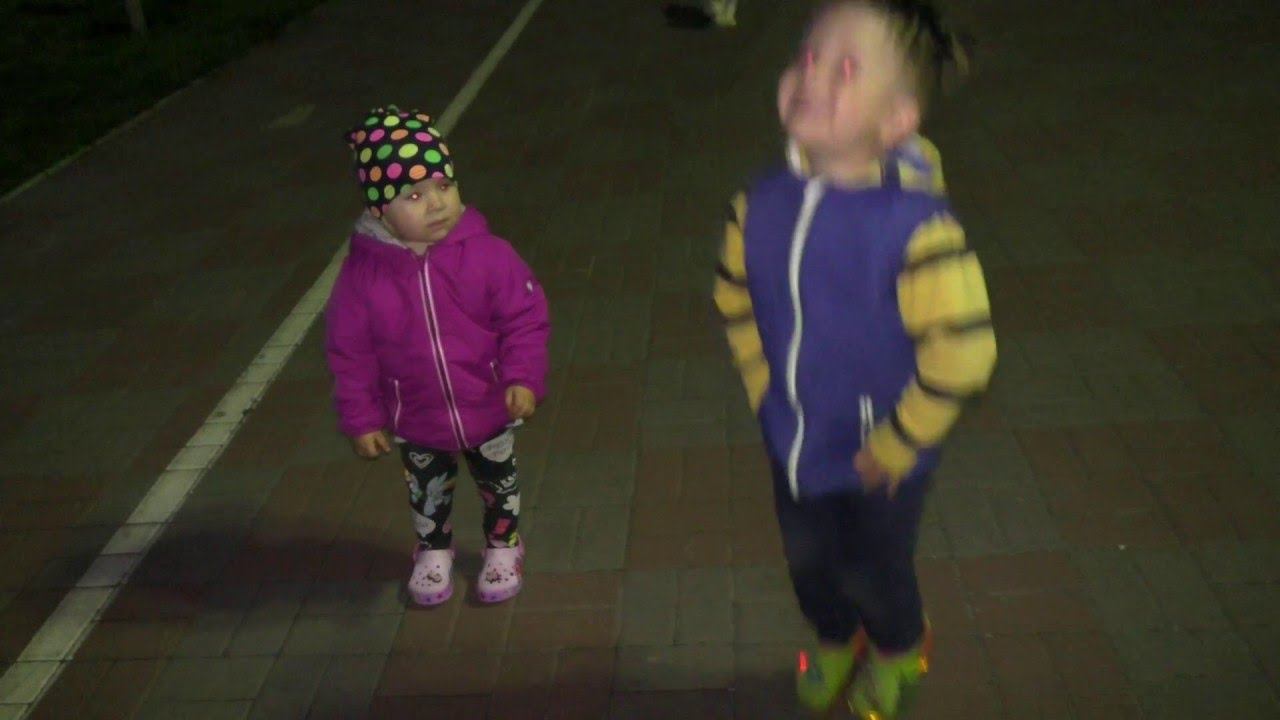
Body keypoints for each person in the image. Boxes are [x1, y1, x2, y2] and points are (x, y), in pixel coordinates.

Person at [712, 2, 995, 716]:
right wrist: (763, 386)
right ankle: (836, 636)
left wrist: (901, 440)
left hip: (882, 455)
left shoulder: (918, 230)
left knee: (876, 567)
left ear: (896, 119)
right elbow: (733, 295)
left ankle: (900, 647)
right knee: (808, 561)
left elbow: (964, 354)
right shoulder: (759, 205)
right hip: (794, 438)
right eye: (808, 56)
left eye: (844, 69)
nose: (812, 74)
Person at [327, 105, 550, 606]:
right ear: (379, 212)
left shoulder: (489, 254)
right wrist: (362, 418)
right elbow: (350, 353)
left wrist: (522, 377)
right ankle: (433, 550)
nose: (436, 204)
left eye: (444, 186)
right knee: (426, 490)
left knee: (499, 482)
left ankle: (504, 545)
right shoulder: (363, 277)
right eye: (414, 196)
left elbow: (524, 319)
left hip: (487, 403)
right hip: (417, 415)